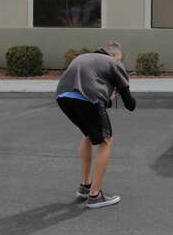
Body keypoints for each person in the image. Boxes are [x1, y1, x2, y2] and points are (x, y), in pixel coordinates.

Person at [56, 41, 135, 209]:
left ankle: (85, 186)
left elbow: (87, 91)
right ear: (117, 55)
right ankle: (95, 195)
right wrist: (119, 92)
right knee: (106, 141)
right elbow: (130, 105)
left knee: (89, 134)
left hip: (62, 97)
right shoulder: (114, 63)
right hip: (87, 100)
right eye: (121, 58)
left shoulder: (84, 57)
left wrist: (106, 98)